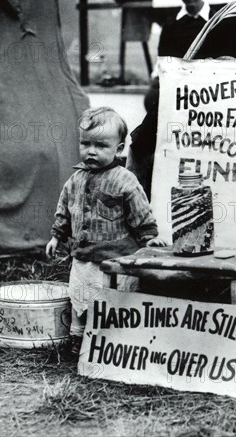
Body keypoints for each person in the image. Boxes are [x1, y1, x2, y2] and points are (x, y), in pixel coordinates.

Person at [46, 107, 166, 355]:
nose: (91, 151)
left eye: (100, 145)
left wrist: (150, 237)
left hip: (116, 258)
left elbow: (140, 211)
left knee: (114, 300)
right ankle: (77, 340)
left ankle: (115, 344)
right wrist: (57, 235)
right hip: (83, 257)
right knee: (80, 297)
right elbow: (64, 208)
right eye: (85, 143)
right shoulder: (76, 179)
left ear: (119, 149)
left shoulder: (124, 180)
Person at [134, 0, 215, 198]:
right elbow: (162, 66)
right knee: (144, 142)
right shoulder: (171, 26)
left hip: (209, 98)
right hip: (177, 96)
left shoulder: (216, 21)